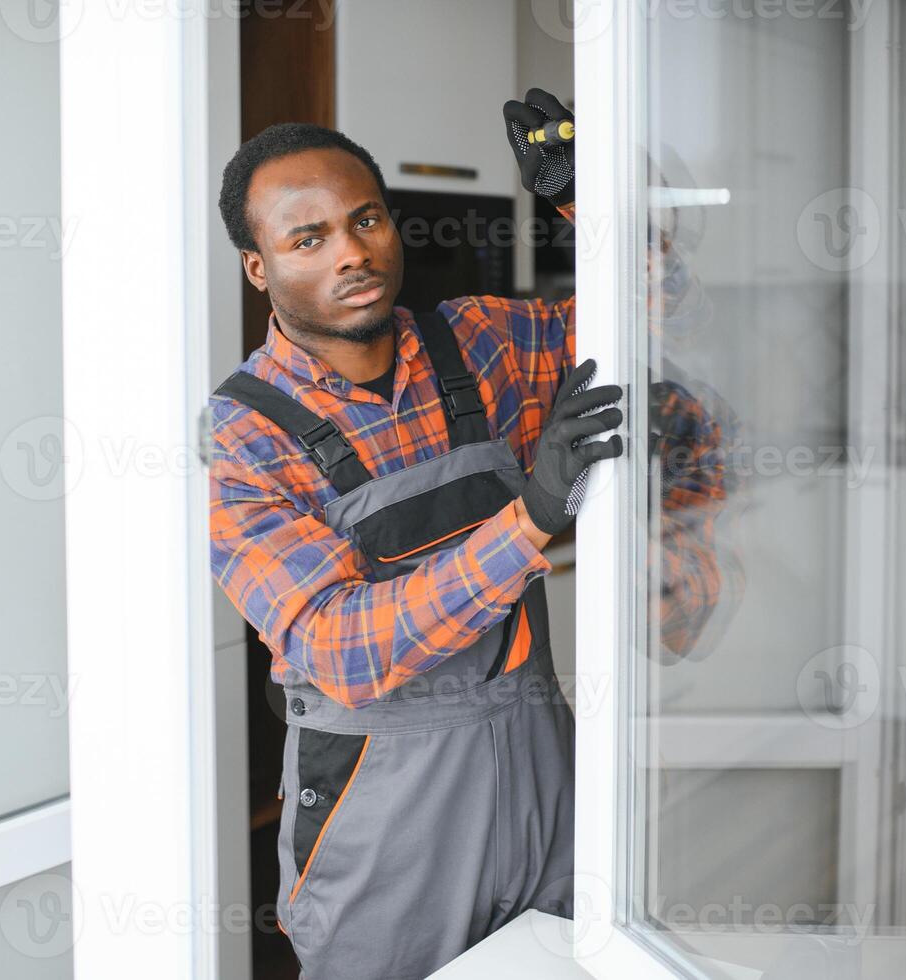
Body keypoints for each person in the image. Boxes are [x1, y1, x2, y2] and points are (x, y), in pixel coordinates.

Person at [206, 89, 715, 978]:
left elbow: (657, 315)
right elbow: (343, 650)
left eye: (365, 218)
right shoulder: (248, 433)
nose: (353, 252)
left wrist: (587, 204)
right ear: (259, 269)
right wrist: (527, 520)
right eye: (308, 237)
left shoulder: (481, 341)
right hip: (383, 810)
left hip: (538, 760)